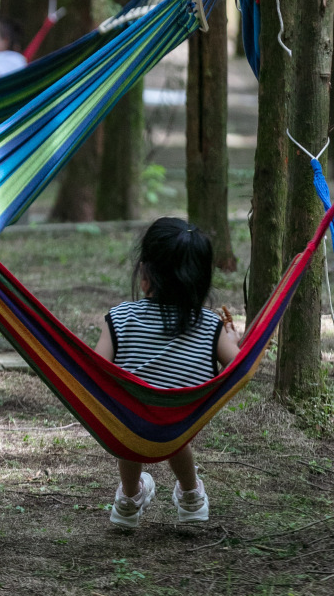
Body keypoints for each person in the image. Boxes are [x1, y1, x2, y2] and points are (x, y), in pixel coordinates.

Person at [94, 217, 241, 529]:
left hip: (130, 427)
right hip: (180, 427)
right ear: (201, 281)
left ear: (145, 275)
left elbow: (93, 370)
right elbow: (239, 366)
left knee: (133, 418)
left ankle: (129, 499)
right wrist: (233, 341)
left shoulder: (120, 318)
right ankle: (191, 497)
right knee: (170, 425)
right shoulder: (209, 326)